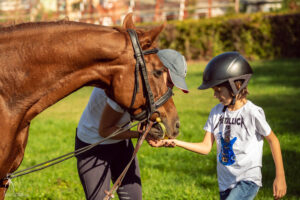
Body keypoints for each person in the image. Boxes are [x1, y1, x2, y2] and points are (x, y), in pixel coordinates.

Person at [148, 52, 287, 200]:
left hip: (248, 180)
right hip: (226, 183)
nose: (215, 95)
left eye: (218, 91)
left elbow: (273, 140)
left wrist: (280, 177)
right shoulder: (216, 112)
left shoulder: (252, 113)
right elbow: (206, 147)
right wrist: (174, 142)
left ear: (236, 86)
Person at [75, 49, 188, 200]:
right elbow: (105, 130)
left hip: (121, 144)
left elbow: (141, 114)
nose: (170, 89)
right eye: (170, 82)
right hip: (94, 146)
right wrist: (141, 134)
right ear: (159, 70)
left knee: (134, 197)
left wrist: (151, 127)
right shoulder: (124, 87)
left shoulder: (145, 84)